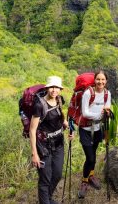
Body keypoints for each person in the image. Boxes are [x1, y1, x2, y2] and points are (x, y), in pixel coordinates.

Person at [30, 76, 71, 204]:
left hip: (58, 143)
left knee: (57, 174)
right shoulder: (39, 105)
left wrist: (65, 124)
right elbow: (32, 130)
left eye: (57, 87)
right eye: (52, 87)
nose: (54, 90)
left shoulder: (59, 99)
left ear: (60, 89)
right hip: (43, 146)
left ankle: (46, 199)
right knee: (45, 179)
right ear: (47, 88)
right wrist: (34, 154)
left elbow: (59, 114)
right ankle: (46, 201)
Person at [77, 70, 112, 199]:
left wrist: (107, 113)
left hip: (98, 128)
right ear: (94, 80)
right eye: (98, 79)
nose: (100, 82)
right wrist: (98, 115)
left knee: (94, 153)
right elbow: (85, 113)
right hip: (85, 129)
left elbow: (107, 108)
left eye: (103, 80)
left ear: (106, 81)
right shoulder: (88, 93)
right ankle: (85, 180)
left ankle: (91, 175)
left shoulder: (107, 93)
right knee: (90, 157)